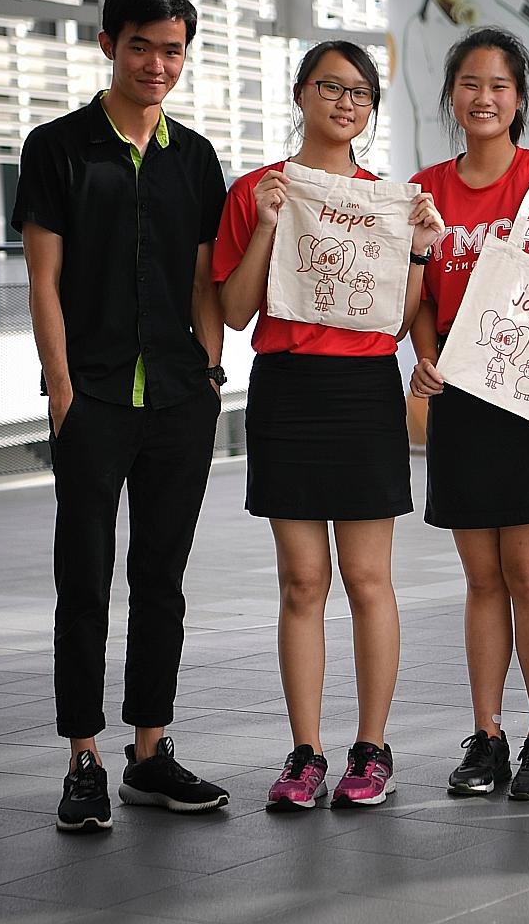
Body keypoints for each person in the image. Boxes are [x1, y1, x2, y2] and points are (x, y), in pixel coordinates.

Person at [14, 0, 230, 831]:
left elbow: (204, 275)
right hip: (94, 397)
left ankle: (150, 753)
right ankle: (82, 756)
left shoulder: (197, 156)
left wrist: (212, 371)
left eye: (172, 48)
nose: (156, 63)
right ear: (109, 45)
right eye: (140, 44)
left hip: (180, 397)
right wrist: (62, 387)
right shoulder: (59, 147)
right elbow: (44, 280)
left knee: (162, 582)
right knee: (84, 578)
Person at [214, 41, 442, 811]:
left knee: (369, 579)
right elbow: (236, 310)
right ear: (301, 93)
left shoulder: (386, 199)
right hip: (286, 389)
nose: (346, 103)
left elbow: (399, 320)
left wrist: (416, 249)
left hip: (363, 391)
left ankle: (371, 750)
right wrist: (266, 228)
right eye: (331, 87)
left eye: (361, 94)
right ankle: (305, 752)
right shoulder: (258, 190)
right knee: (301, 581)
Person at [409, 27, 529, 800]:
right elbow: (419, 299)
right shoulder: (426, 188)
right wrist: (422, 354)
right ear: (451, 95)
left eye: (498, 85)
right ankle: (486, 734)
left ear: (519, 99)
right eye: (468, 83)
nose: (483, 98)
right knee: (481, 579)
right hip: (462, 403)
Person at [403, 0, 479, 169]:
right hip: (438, 150)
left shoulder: (479, 23)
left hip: (478, 153)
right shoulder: (418, 28)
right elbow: (430, 98)